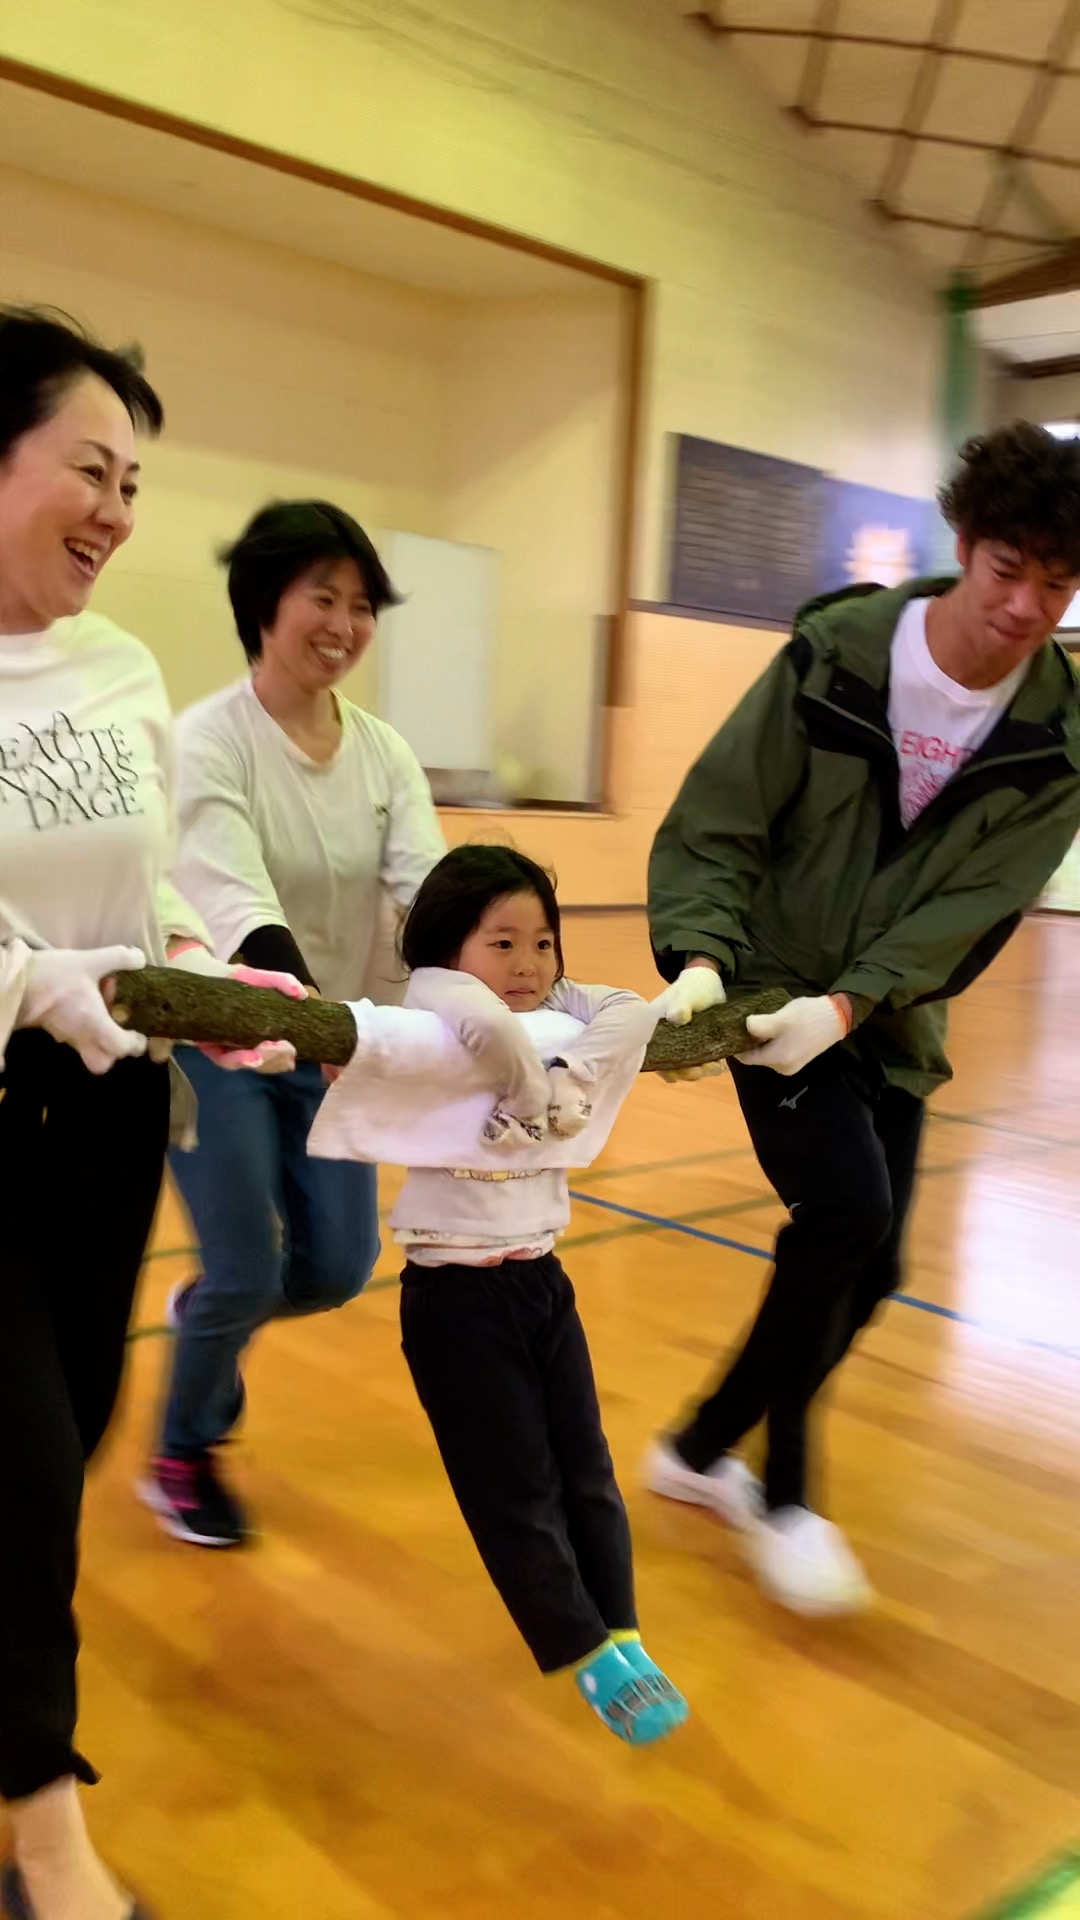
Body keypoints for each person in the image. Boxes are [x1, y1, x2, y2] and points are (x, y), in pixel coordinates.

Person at [644, 421, 1080, 1617]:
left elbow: (973, 908)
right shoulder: (833, 658)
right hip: (765, 986)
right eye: (1009, 569)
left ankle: (699, 1445)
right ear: (965, 542)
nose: (1026, 607)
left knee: (875, 1268)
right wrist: (702, 961)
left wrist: (852, 1005)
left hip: (885, 1015)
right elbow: (720, 818)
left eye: (1058, 585)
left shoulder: (1057, 740)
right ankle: (785, 1493)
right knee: (845, 1211)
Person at [0, 309, 305, 1920]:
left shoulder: (120, 667)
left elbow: (150, 880)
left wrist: (198, 974)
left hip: (108, 1110)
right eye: (90, 470)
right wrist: (43, 983)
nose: (118, 512)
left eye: (134, 483)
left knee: (65, 1444)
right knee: (23, 1460)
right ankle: (49, 1846)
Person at [312, 843, 688, 1743]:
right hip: (456, 1301)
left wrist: (566, 1077)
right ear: (452, 947)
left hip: (542, 1280)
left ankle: (621, 1628)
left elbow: (631, 1010)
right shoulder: (436, 1010)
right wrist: (528, 1081)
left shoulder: (558, 1015)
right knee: (513, 1484)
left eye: (543, 943)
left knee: (587, 1468)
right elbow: (460, 1002)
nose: (528, 965)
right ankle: (582, 1649)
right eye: (503, 943)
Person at [140, 500, 445, 1548]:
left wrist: (489, 987)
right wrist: (314, 1017)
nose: (346, 624)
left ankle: (206, 1318)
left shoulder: (385, 754)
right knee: (246, 1269)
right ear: (264, 604)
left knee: (334, 1268)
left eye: (362, 605)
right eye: (324, 597)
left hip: (330, 1045)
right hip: (216, 1042)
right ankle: (183, 1453)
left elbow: (427, 890)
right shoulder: (206, 740)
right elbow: (238, 902)